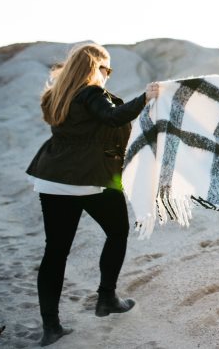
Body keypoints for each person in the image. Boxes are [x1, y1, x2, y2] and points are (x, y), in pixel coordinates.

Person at [26, 42, 160, 346]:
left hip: (51, 179)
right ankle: (107, 298)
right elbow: (112, 117)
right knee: (117, 232)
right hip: (88, 179)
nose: (108, 75)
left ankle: (51, 327)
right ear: (93, 67)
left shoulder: (55, 94)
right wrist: (146, 97)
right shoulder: (91, 93)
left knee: (55, 251)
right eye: (106, 69)